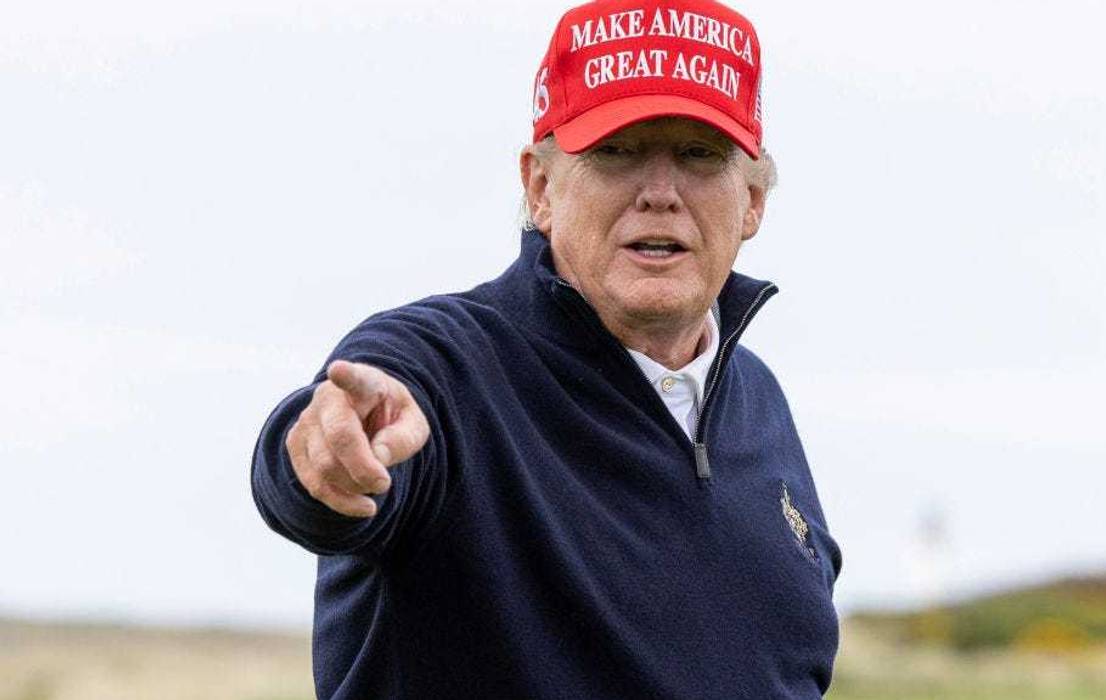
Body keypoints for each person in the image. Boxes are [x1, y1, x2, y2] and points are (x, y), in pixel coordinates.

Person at [250, 0, 843, 697]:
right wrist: (322, 463)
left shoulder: (756, 399)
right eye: (615, 152)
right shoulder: (442, 366)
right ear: (540, 188)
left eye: (698, 154)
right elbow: (325, 461)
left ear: (751, 202)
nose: (659, 192)